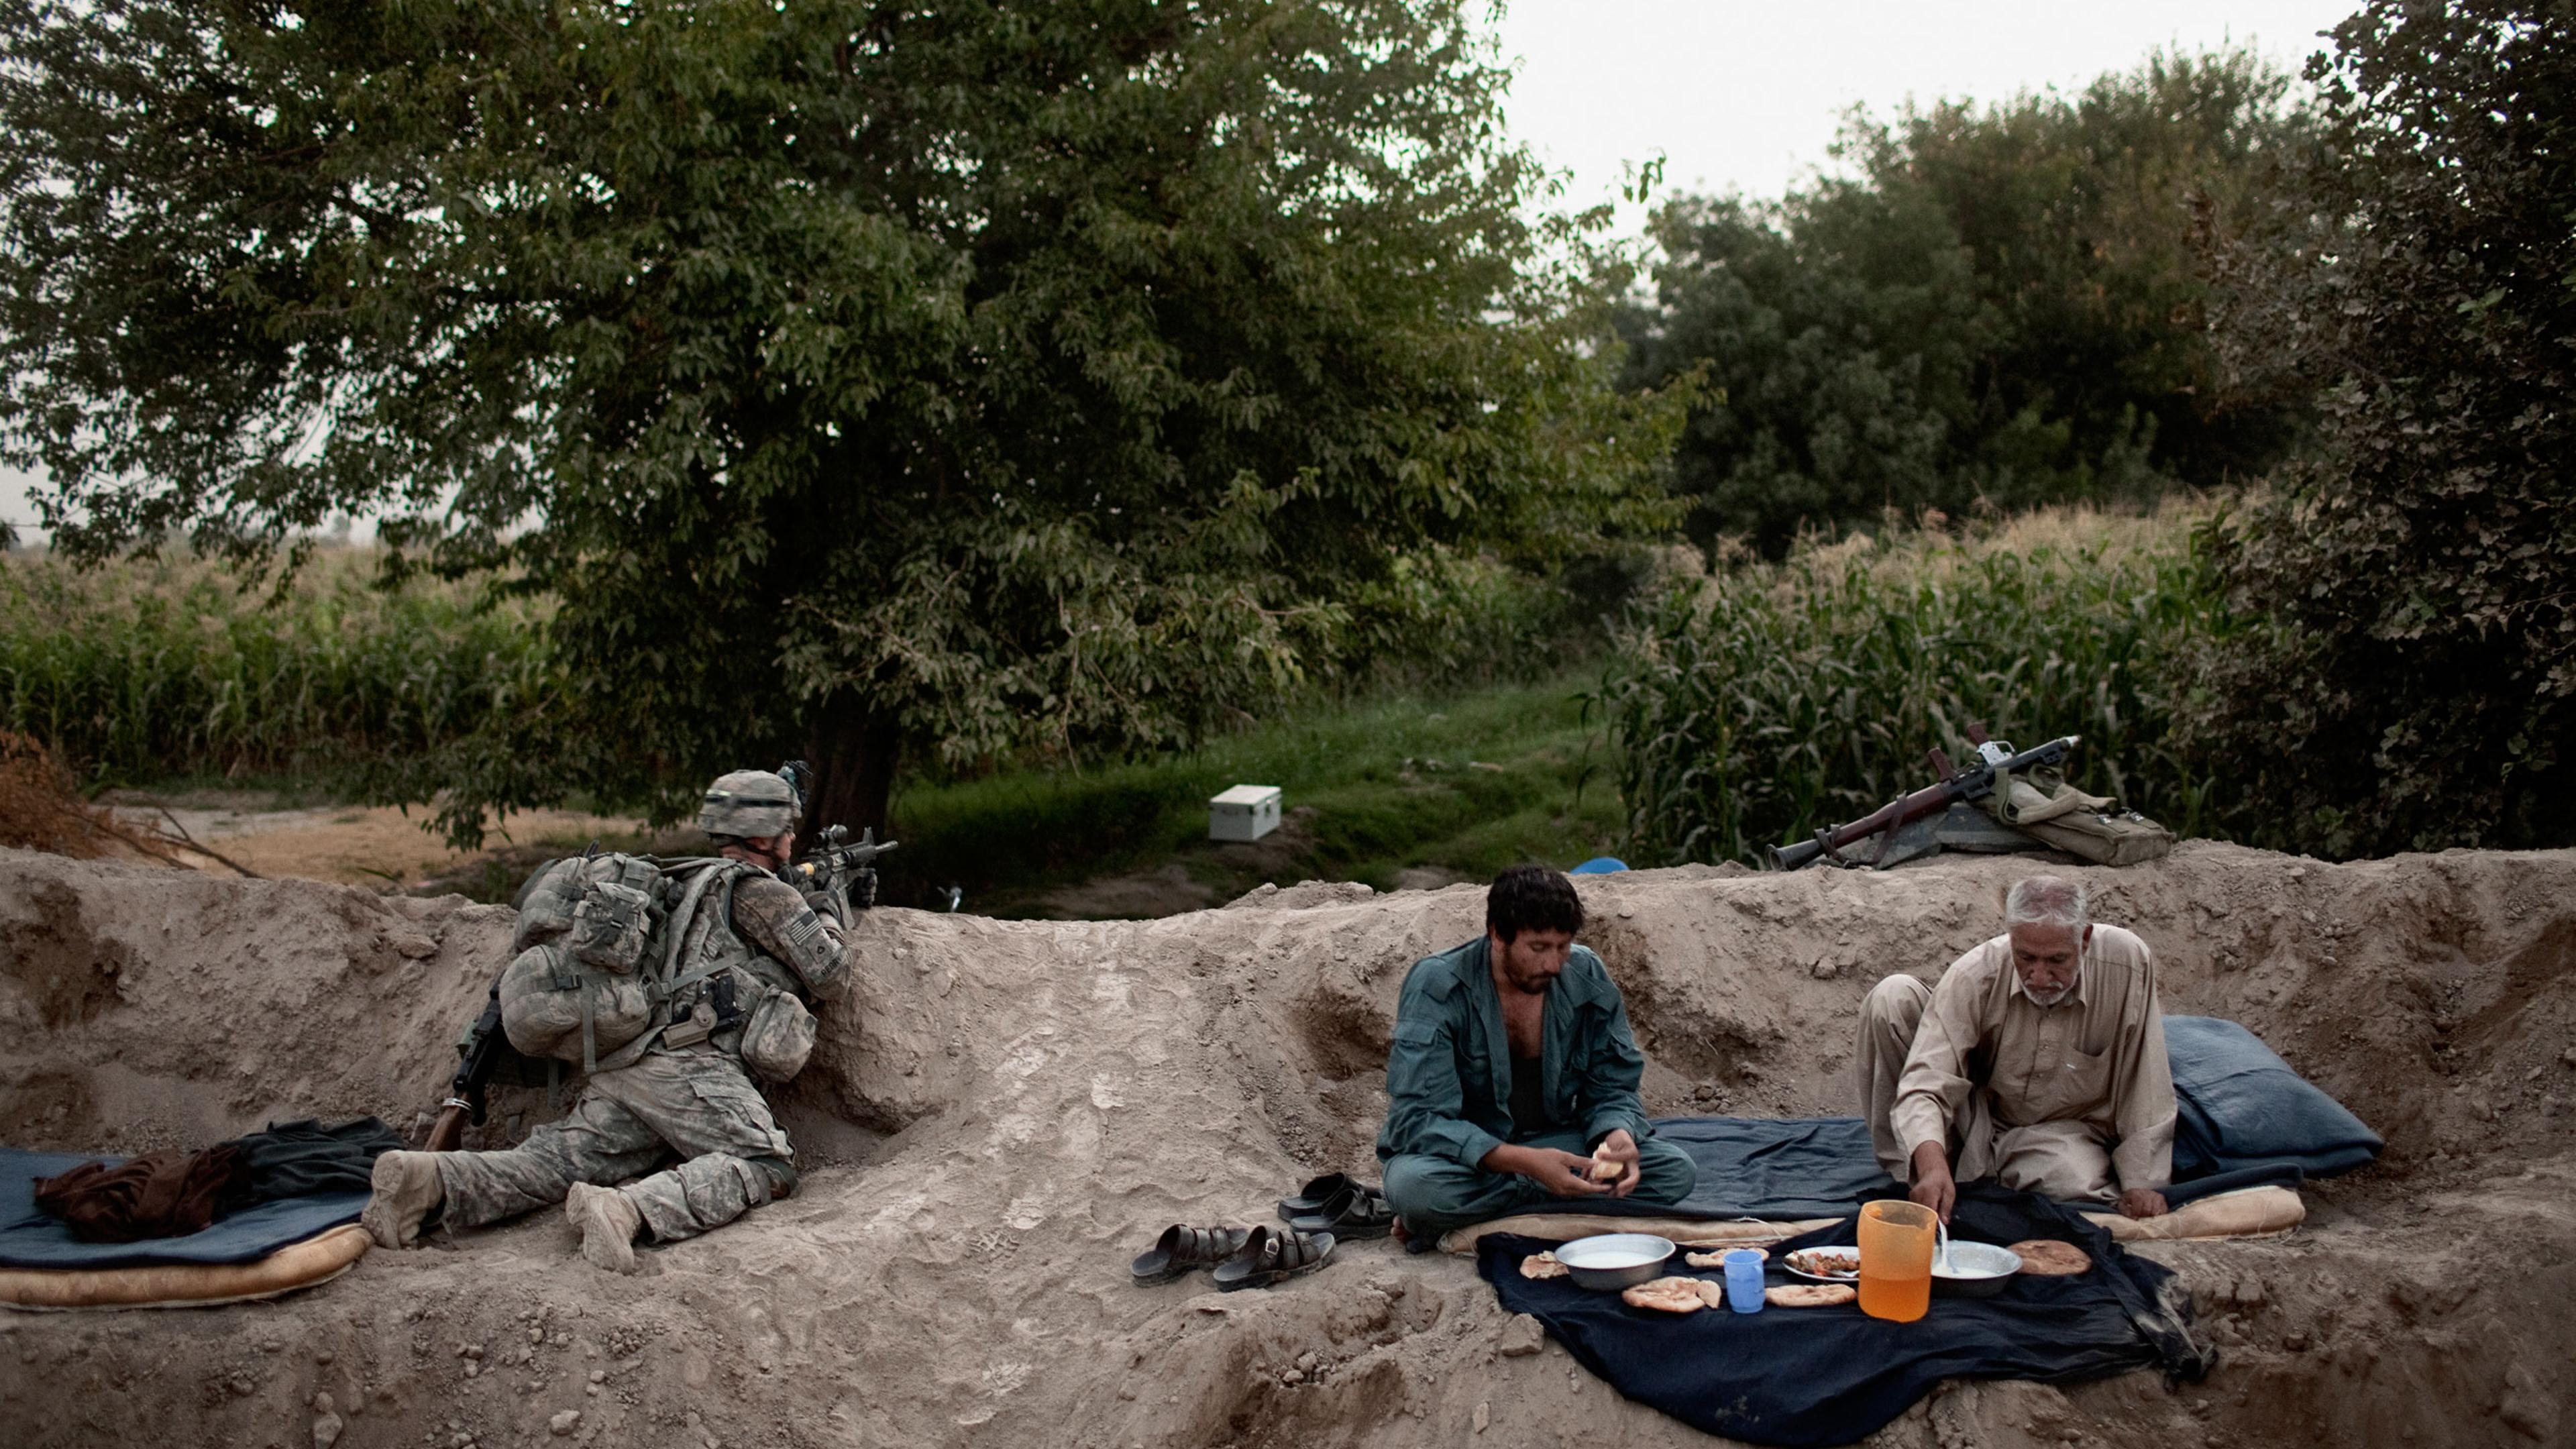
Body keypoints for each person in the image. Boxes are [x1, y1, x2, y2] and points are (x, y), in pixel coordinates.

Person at [360, 768, 869, 1270]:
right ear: (762, 834)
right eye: (786, 825)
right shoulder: (763, 892)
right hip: (692, 1069)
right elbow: (830, 974)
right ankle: (627, 1210)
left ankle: (426, 1182)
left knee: (555, 1162)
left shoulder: (684, 878)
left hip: (629, 1059)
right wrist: (825, 907)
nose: (792, 835)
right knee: (769, 1163)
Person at [1376, 865, 1696, 1242]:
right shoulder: (1438, 985)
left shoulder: (1585, 973)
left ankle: (1482, 1219)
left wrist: (1617, 1135)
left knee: (1675, 1171)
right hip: (1468, 1162)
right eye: (1539, 948)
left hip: (1555, 1144)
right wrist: (1527, 1165)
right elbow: (1420, 1118)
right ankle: (1554, 1206)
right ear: (1498, 935)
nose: (1554, 964)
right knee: (1418, 1191)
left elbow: (1613, 1085)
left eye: (1563, 947)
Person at [1857, 873, 2174, 1222]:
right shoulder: (1975, 975)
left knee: (2072, 1180)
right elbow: (1926, 1081)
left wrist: (2141, 1183)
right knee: (1891, 997)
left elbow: (2144, 1077)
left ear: (2084, 940)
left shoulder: (2126, 963)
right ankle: (1920, 1176)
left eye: (2056, 961)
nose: (2039, 976)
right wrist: (1931, 1166)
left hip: (2061, 1134)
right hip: (1974, 1121)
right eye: (2026, 958)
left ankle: (1971, 1177)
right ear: (2011, 939)